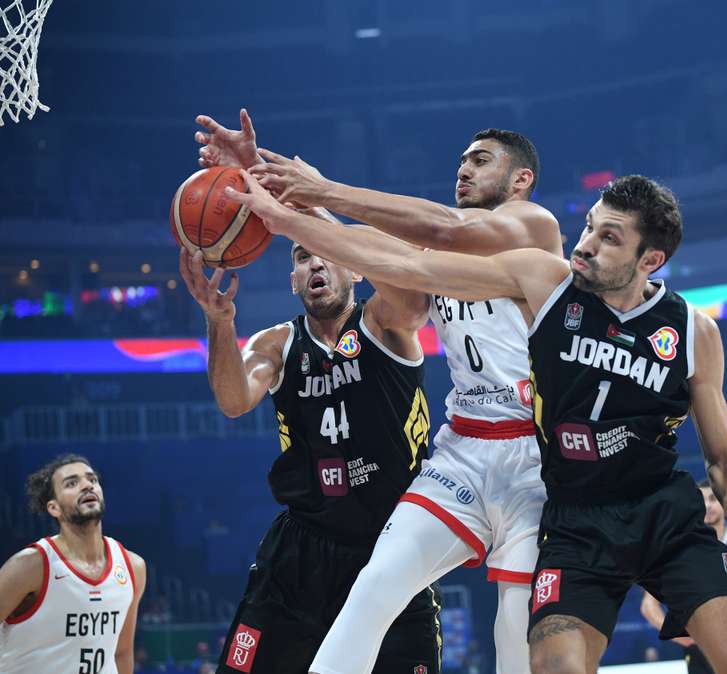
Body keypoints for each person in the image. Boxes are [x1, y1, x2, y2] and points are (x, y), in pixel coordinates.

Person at [225, 170, 727, 674]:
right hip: (567, 512)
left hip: (650, 505)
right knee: (509, 646)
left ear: (649, 259)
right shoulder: (544, 281)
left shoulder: (691, 331)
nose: (584, 245)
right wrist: (287, 217)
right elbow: (404, 258)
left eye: (609, 238)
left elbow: (724, 457)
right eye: (589, 227)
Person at [196, 111, 561, 673]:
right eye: (461, 159)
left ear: (521, 181)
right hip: (461, 451)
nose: (463, 167)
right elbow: (364, 251)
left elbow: (441, 228)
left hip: (531, 456)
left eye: (480, 159)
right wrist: (261, 171)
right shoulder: (434, 261)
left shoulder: (533, 227)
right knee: (371, 595)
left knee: (515, 637)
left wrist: (323, 191)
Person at [178, 235, 440, 673]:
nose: (316, 264)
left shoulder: (382, 322)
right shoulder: (277, 343)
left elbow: (416, 305)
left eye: (330, 254)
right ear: (293, 281)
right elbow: (233, 399)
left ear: (355, 268)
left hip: (392, 544)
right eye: (303, 258)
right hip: (302, 551)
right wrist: (219, 321)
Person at [0, 454, 147, 674]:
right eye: (72, 483)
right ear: (54, 508)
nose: (87, 486)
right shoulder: (30, 566)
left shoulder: (132, 567)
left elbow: (121, 653)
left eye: (92, 480)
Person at [640, 479, 727, 673]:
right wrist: (681, 637)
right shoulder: (681, 547)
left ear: (722, 502)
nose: (707, 505)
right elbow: (648, 605)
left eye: (713, 499)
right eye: (701, 500)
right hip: (702, 647)